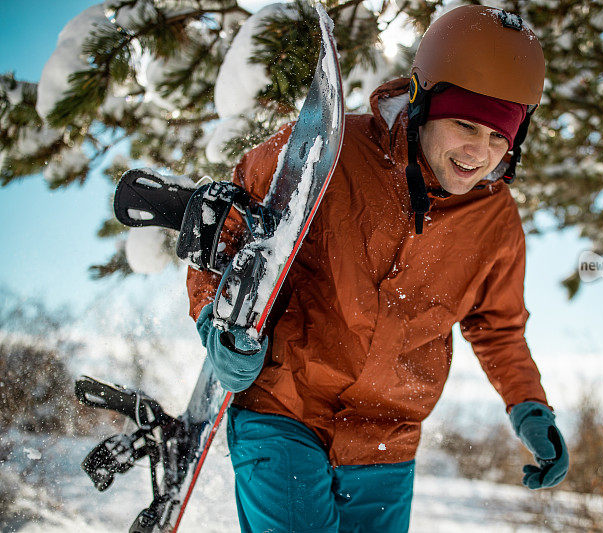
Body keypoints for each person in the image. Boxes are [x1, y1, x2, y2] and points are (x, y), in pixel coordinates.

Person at [187, 5, 569, 532]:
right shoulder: (328, 153)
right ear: (423, 103)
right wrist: (215, 319)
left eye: (500, 137)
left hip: (388, 437)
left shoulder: (495, 222)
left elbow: (498, 326)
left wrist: (529, 406)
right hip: (285, 406)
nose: (479, 153)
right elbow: (224, 236)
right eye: (465, 125)